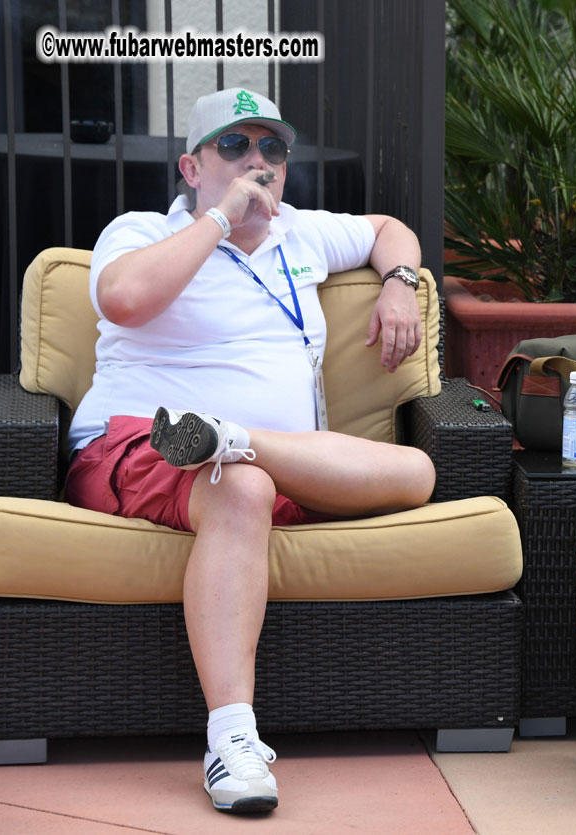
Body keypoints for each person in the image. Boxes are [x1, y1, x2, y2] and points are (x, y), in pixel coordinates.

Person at [63, 87, 436, 813]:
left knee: (416, 472)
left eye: (270, 150)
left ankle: (232, 436)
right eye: (233, 148)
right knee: (242, 487)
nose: (255, 163)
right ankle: (231, 741)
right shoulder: (138, 229)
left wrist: (397, 285)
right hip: (137, 444)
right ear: (190, 165)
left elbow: (388, 226)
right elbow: (127, 300)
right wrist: (221, 217)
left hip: (271, 456)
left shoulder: (304, 233)